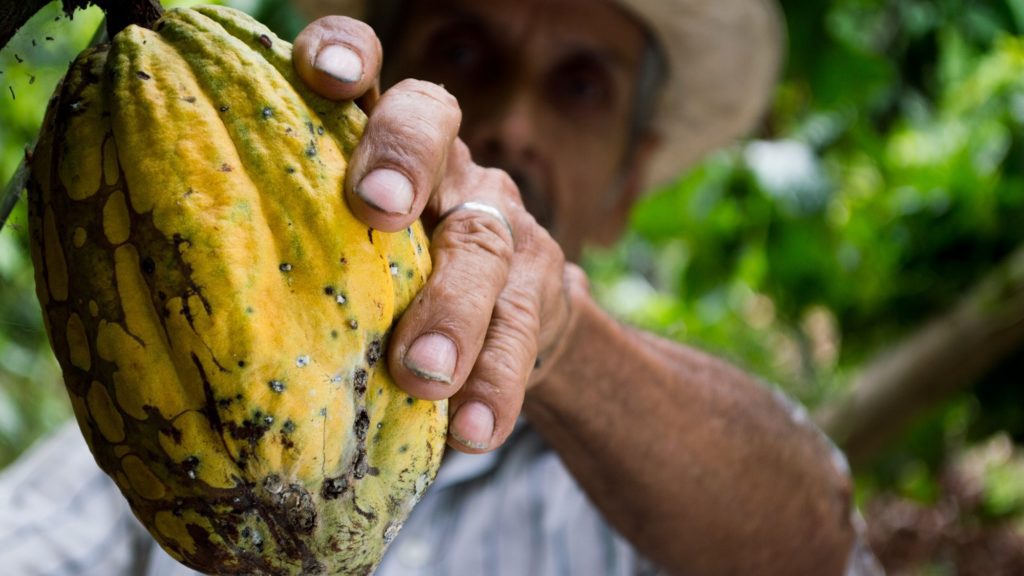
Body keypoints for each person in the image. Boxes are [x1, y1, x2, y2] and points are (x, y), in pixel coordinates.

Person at [0, 0, 884, 574]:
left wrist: (562, 335)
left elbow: (811, 537)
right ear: (364, 85)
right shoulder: (167, 405)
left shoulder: (650, 493)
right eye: (465, 47)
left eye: (581, 86)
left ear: (629, 182)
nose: (512, 120)